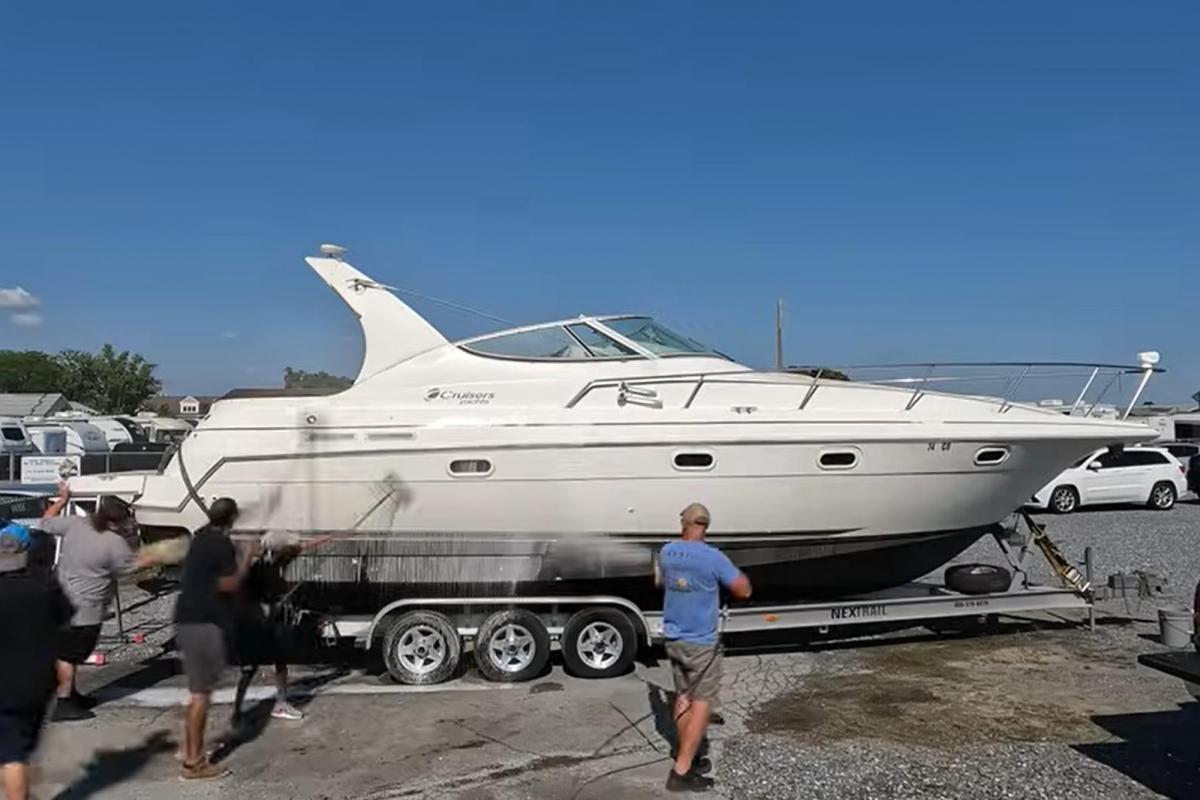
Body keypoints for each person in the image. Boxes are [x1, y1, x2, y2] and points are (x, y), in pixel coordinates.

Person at [39, 486, 158, 721]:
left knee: (68, 652)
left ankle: (71, 695)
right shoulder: (114, 543)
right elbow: (128, 569)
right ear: (119, 522)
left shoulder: (75, 524)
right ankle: (63, 702)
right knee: (69, 655)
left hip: (61, 600)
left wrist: (63, 500)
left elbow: (45, 522)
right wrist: (152, 556)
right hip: (86, 608)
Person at [656, 503, 751, 793]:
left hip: (673, 638)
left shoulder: (667, 551)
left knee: (683, 696)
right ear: (706, 526)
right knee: (701, 703)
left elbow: (660, 580)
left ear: (683, 523)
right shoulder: (713, 558)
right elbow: (743, 590)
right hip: (701, 644)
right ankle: (681, 772)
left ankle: (690, 755)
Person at [174, 498, 256, 781]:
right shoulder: (220, 544)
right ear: (233, 518)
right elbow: (229, 584)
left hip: (187, 619)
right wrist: (247, 556)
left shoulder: (200, 538)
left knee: (199, 692)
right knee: (201, 695)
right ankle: (193, 763)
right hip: (204, 623)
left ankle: (188, 749)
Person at [0, 526, 73, 800]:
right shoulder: (45, 588)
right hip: (38, 680)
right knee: (20, 748)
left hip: (5, 683)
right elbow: (65, 622)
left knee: (11, 754)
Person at [231, 531, 305, 724]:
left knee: (262, 667)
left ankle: (240, 711)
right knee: (272, 665)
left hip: (264, 621)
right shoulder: (264, 569)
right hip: (264, 623)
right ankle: (278, 705)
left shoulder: (270, 564)